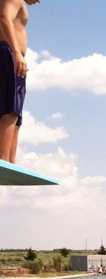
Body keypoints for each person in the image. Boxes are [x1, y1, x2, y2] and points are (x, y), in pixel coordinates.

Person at [0, 0, 39, 163]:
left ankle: (10, 161)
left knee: (16, 115)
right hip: (10, 54)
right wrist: (16, 53)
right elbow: (3, 17)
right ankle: (2, 158)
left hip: (14, 57)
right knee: (11, 109)